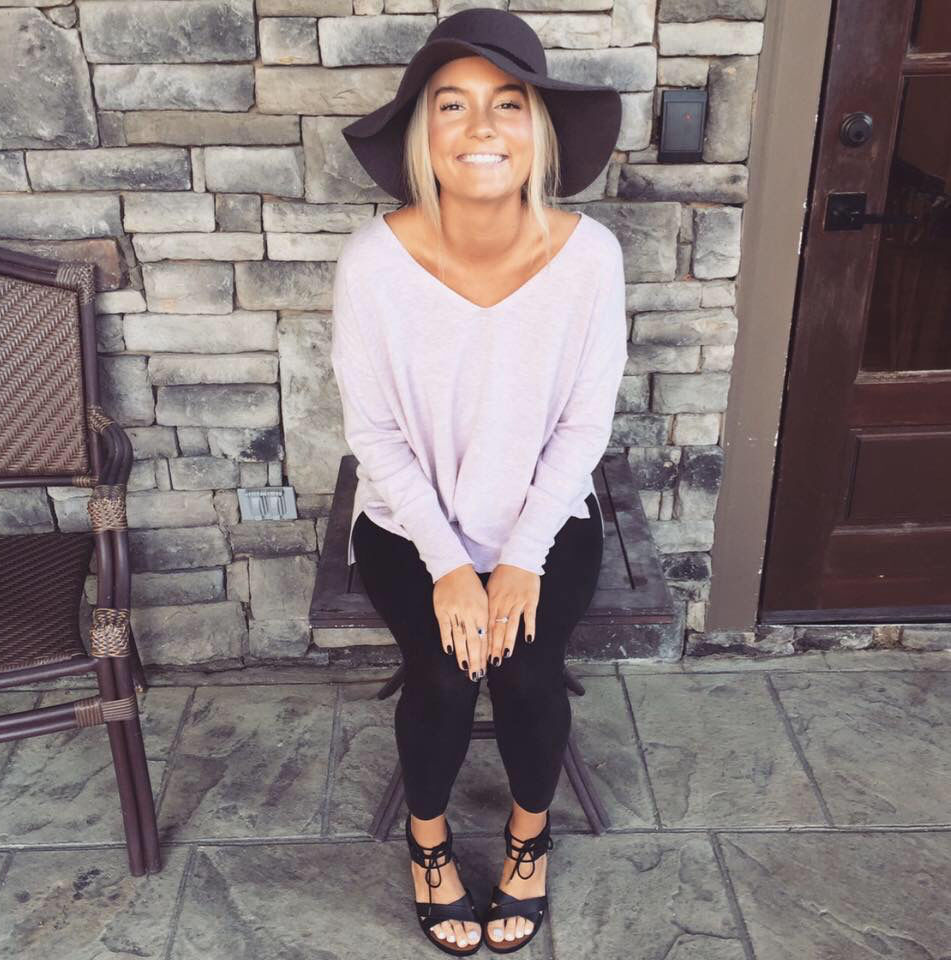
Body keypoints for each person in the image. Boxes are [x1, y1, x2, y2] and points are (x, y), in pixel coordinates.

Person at [332, 8, 626, 955]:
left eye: (507, 102)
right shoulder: (372, 265)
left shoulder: (590, 259)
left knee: (528, 668)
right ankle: (428, 846)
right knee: (446, 670)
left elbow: (583, 425)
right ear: (424, 132)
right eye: (451, 104)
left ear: (538, 126)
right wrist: (451, 566)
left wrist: (521, 558)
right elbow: (374, 433)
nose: (481, 125)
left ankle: (528, 840)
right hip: (409, 526)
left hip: (544, 522)